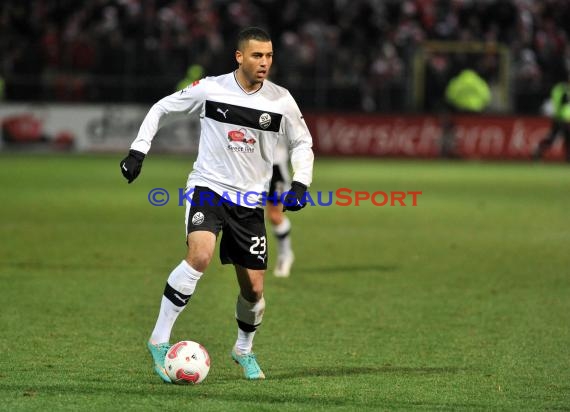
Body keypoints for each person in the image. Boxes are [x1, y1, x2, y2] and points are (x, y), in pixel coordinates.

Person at [119, 27, 314, 382]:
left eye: (269, 56)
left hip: (250, 202)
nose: (264, 63)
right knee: (200, 255)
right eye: (257, 55)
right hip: (208, 188)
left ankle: (243, 349)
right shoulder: (212, 88)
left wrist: (301, 182)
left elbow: (303, 143)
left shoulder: (281, 100)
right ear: (239, 56)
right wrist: (138, 149)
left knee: (253, 290)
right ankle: (159, 340)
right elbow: (162, 107)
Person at [267, 136, 295, 277]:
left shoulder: (283, 114)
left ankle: (285, 255)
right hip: (251, 167)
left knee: (274, 215)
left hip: (275, 168)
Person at [533, 78, 570, 161]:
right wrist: (561, 117)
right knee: (553, 139)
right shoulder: (561, 89)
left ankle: (568, 158)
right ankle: (538, 152)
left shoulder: (564, 89)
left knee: (567, 139)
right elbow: (558, 104)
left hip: (565, 118)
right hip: (561, 118)